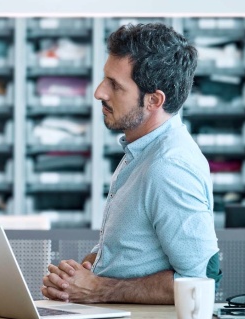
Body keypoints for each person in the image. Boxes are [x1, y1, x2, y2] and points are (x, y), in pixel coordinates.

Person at [41, 23, 221, 305]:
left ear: (154, 100)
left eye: (115, 85)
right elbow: (137, 250)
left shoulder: (170, 166)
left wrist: (100, 289)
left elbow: (200, 280)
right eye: (105, 79)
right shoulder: (141, 150)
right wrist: (83, 274)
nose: (99, 92)